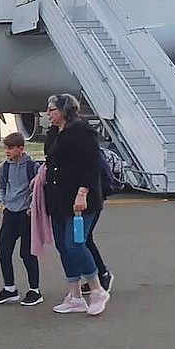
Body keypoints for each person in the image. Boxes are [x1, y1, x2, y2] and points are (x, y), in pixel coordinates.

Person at [43, 94, 110, 316]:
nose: (48, 113)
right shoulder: (54, 133)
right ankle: (75, 296)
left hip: (80, 200)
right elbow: (51, 162)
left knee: (75, 244)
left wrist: (82, 193)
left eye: (52, 109)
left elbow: (92, 165)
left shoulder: (81, 131)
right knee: (63, 246)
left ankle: (97, 290)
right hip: (58, 199)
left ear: (65, 110)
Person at [0, 132, 43, 306]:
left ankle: (35, 290)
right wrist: (3, 202)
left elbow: (39, 189)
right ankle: (10, 288)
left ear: (21, 148)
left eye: (10, 148)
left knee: (26, 253)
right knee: (3, 250)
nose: (7, 151)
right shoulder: (4, 167)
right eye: (5, 148)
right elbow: (2, 185)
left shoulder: (32, 167)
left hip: (26, 214)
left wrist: (32, 206)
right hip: (10, 212)